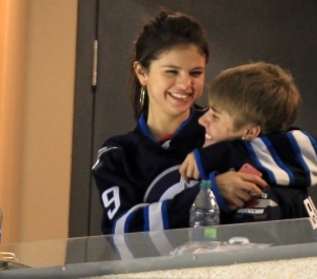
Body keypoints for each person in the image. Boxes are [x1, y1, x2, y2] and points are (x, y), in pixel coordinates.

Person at [92, 10, 267, 236]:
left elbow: (298, 154)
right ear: (142, 72)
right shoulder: (117, 154)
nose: (185, 84)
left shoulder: (224, 128)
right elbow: (124, 233)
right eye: (171, 72)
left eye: (196, 72)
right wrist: (210, 193)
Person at [179, 62, 317, 224]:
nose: (202, 120)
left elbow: (246, 248)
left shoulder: (260, 194)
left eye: (216, 116)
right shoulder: (282, 173)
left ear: (250, 132)